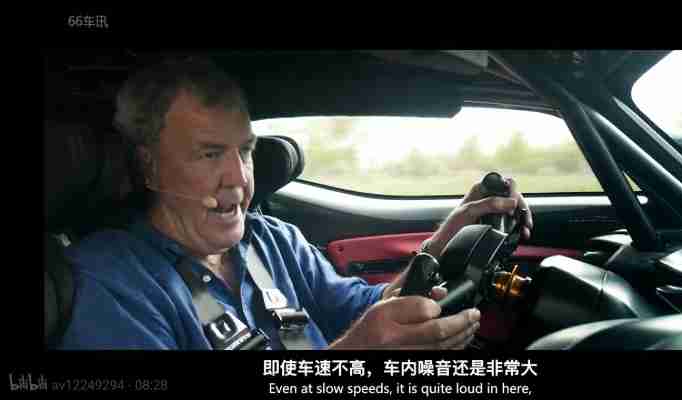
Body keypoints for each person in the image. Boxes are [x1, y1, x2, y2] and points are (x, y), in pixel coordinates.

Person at [58, 56, 533, 350]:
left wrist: (454, 229)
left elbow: (367, 310)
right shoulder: (109, 280)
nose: (239, 178)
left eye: (245, 151)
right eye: (209, 154)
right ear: (149, 168)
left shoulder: (273, 240)